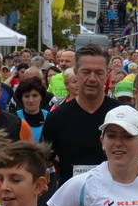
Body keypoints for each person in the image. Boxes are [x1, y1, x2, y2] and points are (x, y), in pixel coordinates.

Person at [42, 47, 126, 183]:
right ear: (75, 72)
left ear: (106, 74)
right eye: (86, 72)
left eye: (99, 73)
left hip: (117, 199)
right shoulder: (56, 118)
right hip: (72, 201)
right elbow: (42, 161)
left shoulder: (124, 113)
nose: (92, 79)